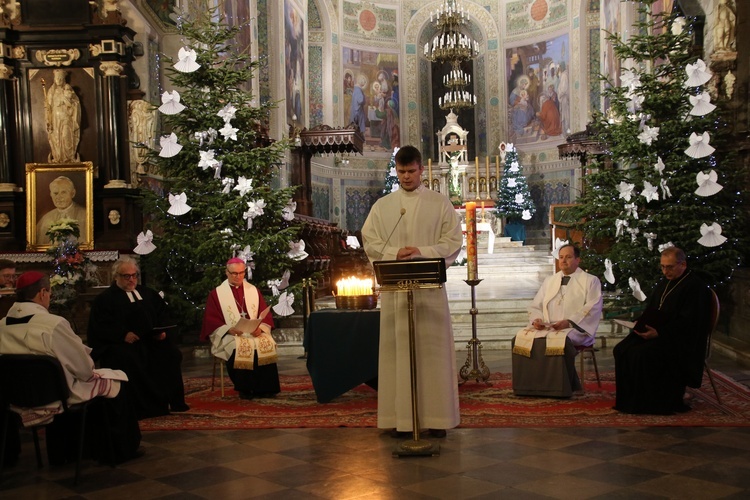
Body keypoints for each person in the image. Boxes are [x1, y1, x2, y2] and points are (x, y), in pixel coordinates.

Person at [361, 145, 463, 438]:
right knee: (399, 352)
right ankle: (402, 420)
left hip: (429, 291)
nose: (406, 177)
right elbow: (371, 240)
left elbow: (452, 240)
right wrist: (396, 252)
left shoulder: (439, 203)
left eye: (411, 171)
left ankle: (436, 417)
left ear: (421, 169)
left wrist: (421, 251)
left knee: (431, 352)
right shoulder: (383, 206)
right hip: (396, 290)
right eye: (401, 171)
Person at [0, 272, 141, 465]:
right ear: (42, 293)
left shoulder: (1, 325)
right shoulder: (53, 324)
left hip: (14, 399)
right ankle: (118, 450)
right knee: (118, 381)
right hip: (56, 396)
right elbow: (83, 368)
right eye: (49, 293)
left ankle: (61, 452)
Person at [613, 247, 712, 414]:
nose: (666, 271)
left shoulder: (696, 287)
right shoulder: (665, 282)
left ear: (683, 264)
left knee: (641, 354)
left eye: (670, 267)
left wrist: (660, 333)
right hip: (657, 332)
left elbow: (690, 322)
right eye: (663, 266)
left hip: (678, 339)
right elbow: (654, 308)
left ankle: (653, 402)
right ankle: (629, 400)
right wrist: (641, 322)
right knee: (621, 349)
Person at [88, 256, 188, 419]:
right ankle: (140, 407)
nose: (131, 279)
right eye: (126, 276)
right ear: (116, 276)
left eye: (134, 275)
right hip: (122, 344)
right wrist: (122, 335)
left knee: (171, 354)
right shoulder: (105, 299)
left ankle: (170, 402)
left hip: (151, 341)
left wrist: (162, 332)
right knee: (129, 358)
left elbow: (163, 315)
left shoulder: (148, 293)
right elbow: (100, 326)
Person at [512, 244, 603, 398]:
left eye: (568, 257)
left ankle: (561, 387)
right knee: (519, 338)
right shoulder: (550, 281)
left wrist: (568, 322)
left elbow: (593, 307)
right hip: (549, 327)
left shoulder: (590, 281)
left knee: (562, 340)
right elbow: (536, 305)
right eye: (561, 257)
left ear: (577, 260)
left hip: (575, 328)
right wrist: (537, 320)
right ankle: (530, 387)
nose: (563, 261)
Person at [201, 258, 280, 400]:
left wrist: (260, 329)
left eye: (241, 273)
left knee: (265, 342)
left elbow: (264, 314)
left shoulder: (253, 290)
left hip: (253, 331)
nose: (238, 276)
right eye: (234, 273)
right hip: (232, 333)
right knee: (238, 346)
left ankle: (267, 388)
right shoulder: (217, 294)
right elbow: (211, 320)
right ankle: (246, 388)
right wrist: (228, 329)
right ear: (227, 272)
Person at [35, 176, 88, 245]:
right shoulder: (45, 219)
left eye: (63, 192)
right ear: (51, 195)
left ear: (73, 193)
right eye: (55, 193)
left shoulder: (85, 215)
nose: (59, 197)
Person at [44, 69, 81, 163]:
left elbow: (76, 104)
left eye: (60, 78)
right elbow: (48, 108)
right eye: (57, 78)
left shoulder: (69, 90)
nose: (59, 80)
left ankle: (69, 158)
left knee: (66, 136)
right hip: (55, 119)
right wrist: (48, 119)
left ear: (64, 79)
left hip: (66, 118)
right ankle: (57, 157)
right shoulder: (51, 92)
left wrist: (69, 101)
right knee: (56, 138)